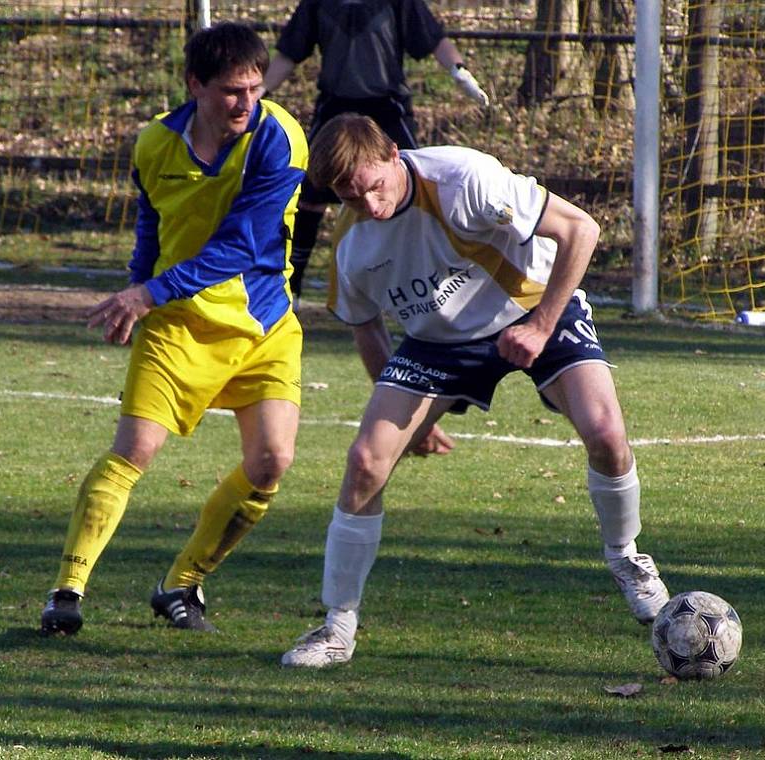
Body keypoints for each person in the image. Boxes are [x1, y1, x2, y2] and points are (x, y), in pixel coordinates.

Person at [280, 114, 670, 668]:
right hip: (437, 344)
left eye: (373, 186)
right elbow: (366, 327)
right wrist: (413, 415)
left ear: (395, 153)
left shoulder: (464, 178)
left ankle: (627, 560)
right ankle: (337, 627)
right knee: (366, 461)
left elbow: (581, 230)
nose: (368, 203)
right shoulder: (351, 244)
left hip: (536, 307)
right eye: (348, 194)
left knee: (606, 433)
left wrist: (539, 327)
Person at [40, 21, 308, 636]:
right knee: (134, 450)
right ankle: (66, 591)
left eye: (254, 88)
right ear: (195, 86)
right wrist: (138, 294)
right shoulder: (155, 144)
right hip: (178, 324)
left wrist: (144, 291)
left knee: (271, 461)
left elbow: (241, 244)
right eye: (231, 91)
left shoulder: (279, 140)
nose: (246, 102)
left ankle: (181, 587)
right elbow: (151, 226)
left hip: (263, 324)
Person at [262, 0, 489, 304]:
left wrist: (458, 71)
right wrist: (259, 93)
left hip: (387, 107)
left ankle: (432, 277)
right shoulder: (318, 3)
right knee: (310, 194)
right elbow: (290, 52)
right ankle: (292, 286)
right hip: (335, 106)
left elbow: (433, 38)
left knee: (415, 188)